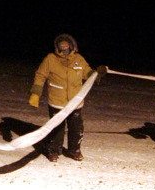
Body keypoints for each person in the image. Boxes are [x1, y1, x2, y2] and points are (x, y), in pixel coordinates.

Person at [29, 33, 106, 162]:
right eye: (61, 43)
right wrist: (35, 93)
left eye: (66, 43)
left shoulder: (79, 59)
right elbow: (40, 75)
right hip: (56, 101)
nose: (63, 45)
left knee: (76, 128)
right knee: (56, 128)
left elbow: (88, 74)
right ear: (57, 46)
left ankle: (74, 150)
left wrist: (98, 73)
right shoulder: (50, 59)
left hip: (75, 102)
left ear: (71, 45)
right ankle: (54, 151)